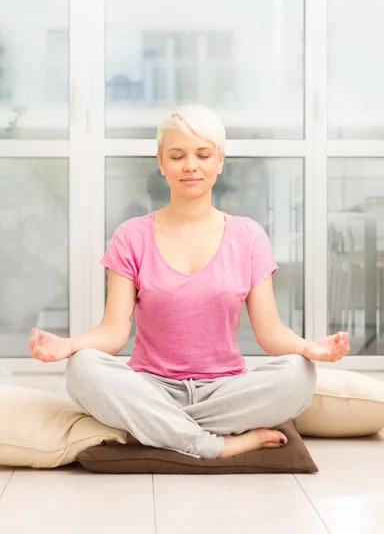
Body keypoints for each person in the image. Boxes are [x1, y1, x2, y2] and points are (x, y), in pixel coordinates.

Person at [28, 105, 350, 460]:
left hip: (225, 390)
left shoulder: (248, 236)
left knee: (298, 374)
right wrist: (69, 345)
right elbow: (113, 332)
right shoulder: (131, 236)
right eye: (177, 155)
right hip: (151, 386)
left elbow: (270, 333)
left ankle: (154, 428)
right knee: (82, 367)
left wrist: (310, 349)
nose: (190, 166)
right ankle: (215, 443)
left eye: (203, 154)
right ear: (161, 162)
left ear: (220, 162)